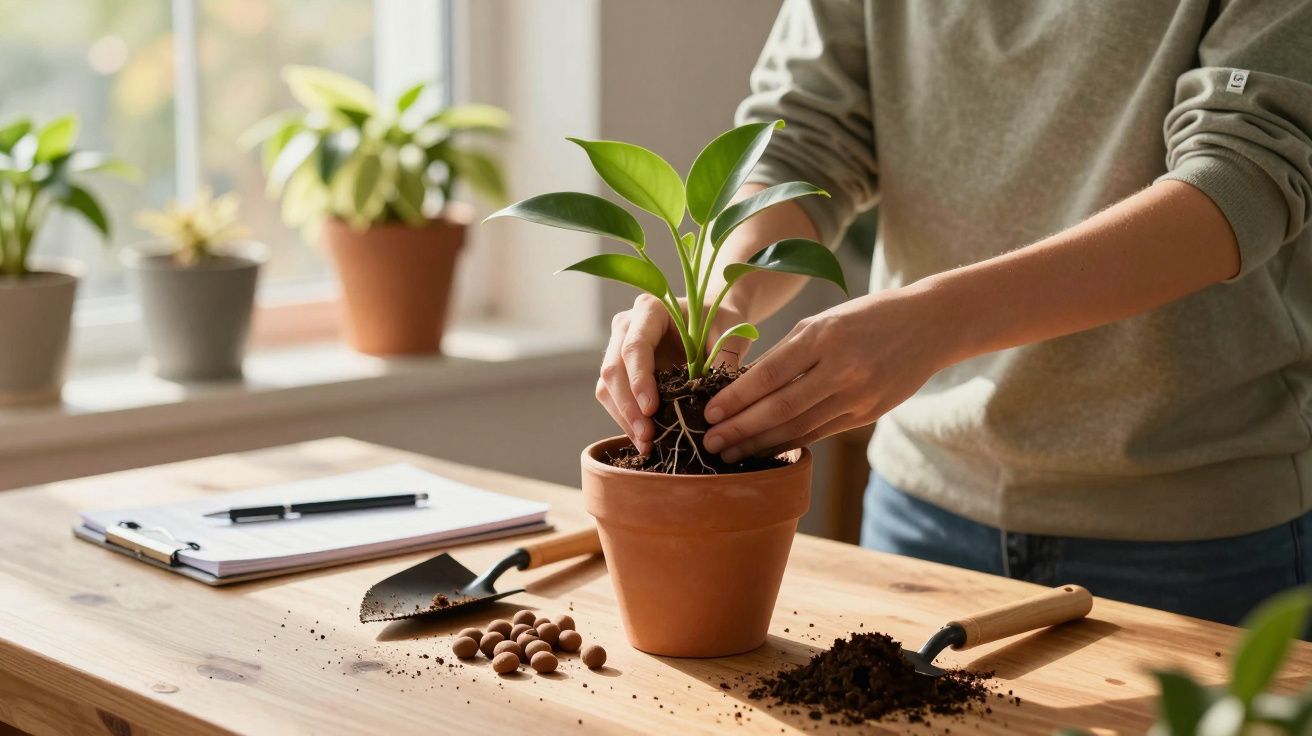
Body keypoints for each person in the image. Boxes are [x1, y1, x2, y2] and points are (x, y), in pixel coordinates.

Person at [595, 0, 1312, 626]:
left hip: (1196, 524)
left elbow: (1245, 173)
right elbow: (805, 138)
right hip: (921, 507)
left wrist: (934, 322)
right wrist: (719, 300)